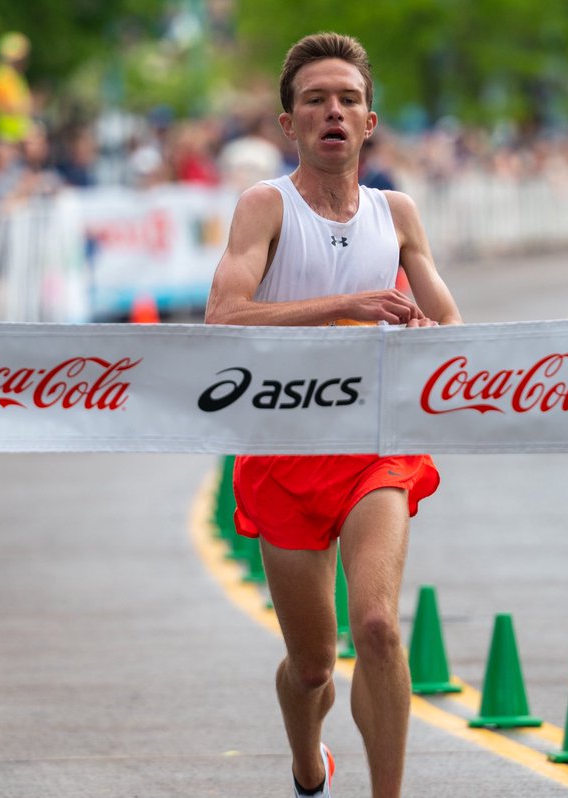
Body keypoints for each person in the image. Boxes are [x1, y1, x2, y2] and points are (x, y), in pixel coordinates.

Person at [204, 32, 462, 798]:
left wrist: (423, 336)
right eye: (314, 99)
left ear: (370, 120)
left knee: (379, 626)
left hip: (372, 447)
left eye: (348, 99)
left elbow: (453, 332)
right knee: (312, 664)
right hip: (283, 452)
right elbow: (224, 317)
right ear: (289, 124)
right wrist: (346, 306)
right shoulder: (265, 205)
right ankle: (308, 763)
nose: (333, 112)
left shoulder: (398, 212)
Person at [0, 32, 33, 145]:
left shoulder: (12, 75)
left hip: (13, 135)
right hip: (5, 136)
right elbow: (7, 106)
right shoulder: (1, 75)